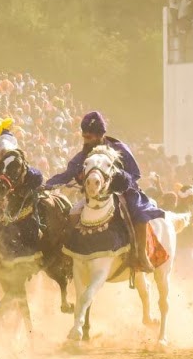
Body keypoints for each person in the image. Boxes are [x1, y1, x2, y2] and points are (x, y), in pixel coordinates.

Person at [45, 110, 165, 271]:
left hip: (125, 192)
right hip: (95, 195)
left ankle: (141, 255)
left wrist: (119, 180)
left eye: (90, 137)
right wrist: (47, 185)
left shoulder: (120, 148)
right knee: (73, 212)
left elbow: (135, 174)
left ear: (100, 135)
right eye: (84, 136)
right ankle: (72, 253)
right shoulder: (84, 154)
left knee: (139, 214)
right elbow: (68, 174)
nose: (86, 140)